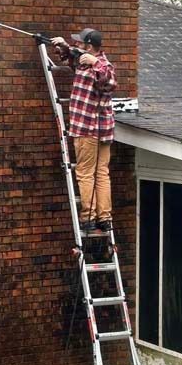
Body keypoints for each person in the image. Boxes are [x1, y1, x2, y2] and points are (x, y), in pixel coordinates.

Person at [51, 28, 117, 233]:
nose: (77, 45)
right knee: (101, 173)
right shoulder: (83, 61)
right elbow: (72, 58)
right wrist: (63, 46)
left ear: (89, 47)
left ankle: (89, 217)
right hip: (100, 129)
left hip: (88, 128)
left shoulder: (102, 65)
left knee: (86, 173)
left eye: (80, 43)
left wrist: (95, 63)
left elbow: (110, 82)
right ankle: (104, 218)